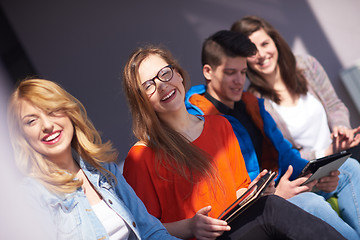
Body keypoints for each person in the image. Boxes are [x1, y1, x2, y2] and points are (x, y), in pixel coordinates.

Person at [122, 45, 345, 240]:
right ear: (140, 100)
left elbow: (239, 191)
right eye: (148, 85)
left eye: (165, 73)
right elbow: (143, 229)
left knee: (282, 203)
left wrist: (259, 191)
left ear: (178, 74)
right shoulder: (141, 156)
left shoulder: (221, 126)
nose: (161, 85)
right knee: (274, 208)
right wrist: (191, 226)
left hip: (240, 225)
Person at [184, 29, 360, 239]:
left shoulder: (252, 104)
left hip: (277, 186)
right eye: (230, 73)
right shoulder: (198, 119)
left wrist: (313, 175)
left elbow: (286, 154)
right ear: (208, 71)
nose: (239, 80)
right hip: (252, 205)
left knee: (349, 168)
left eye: (243, 72)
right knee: (309, 203)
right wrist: (275, 195)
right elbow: (219, 189)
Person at [7, 78, 179, 240]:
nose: (47, 125)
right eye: (31, 121)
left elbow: (150, 232)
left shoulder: (103, 169)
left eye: (52, 111)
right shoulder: (31, 196)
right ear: (21, 136)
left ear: (69, 113)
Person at [231, 15, 360, 161]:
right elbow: (282, 153)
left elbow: (333, 105)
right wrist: (328, 152)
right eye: (251, 51)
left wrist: (341, 127)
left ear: (275, 42)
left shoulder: (308, 65)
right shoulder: (254, 102)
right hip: (313, 170)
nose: (261, 55)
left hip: (342, 152)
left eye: (265, 44)